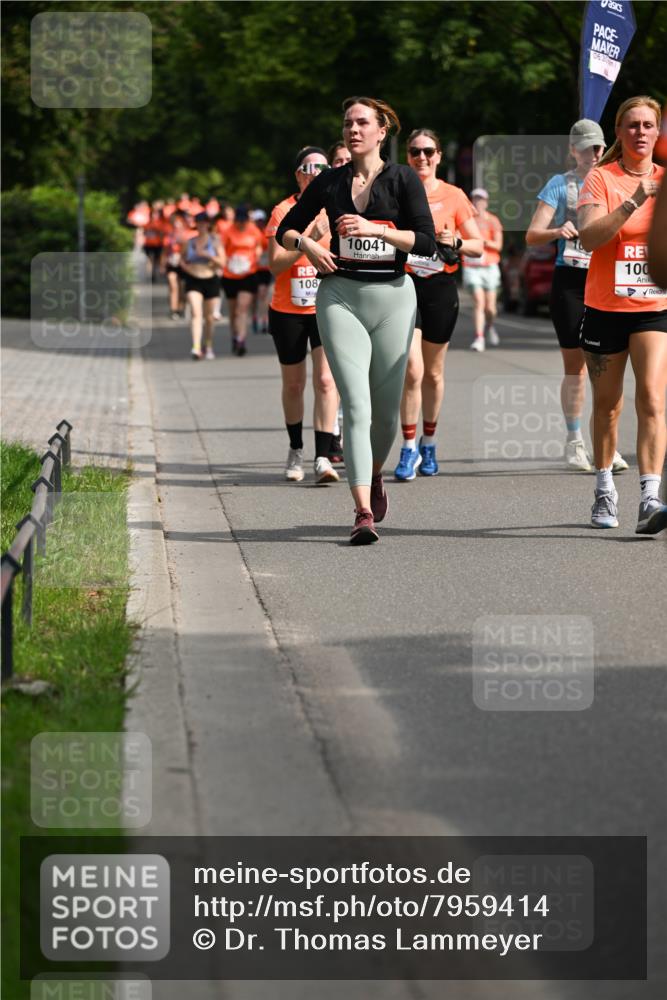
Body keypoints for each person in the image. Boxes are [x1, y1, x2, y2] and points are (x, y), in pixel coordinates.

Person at [276, 96, 437, 544]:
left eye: (362, 122)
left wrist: (378, 231)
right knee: (357, 403)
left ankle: (374, 473)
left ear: (382, 130)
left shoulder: (403, 178)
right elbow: (284, 229)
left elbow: (425, 243)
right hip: (340, 296)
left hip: (393, 299)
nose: (353, 129)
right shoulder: (329, 180)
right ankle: (362, 510)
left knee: (385, 416)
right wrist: (307, 246)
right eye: (348, 123)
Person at [577, 95, 667, 534]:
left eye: (649, 125)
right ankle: (604, 487)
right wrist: (632, 201)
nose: (641, 132)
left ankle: (651, 495)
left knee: (652, 397)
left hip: (654, 307)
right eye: (633, 125)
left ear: (658, 132)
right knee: (608, 406)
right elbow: (590, 239)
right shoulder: (600, 179)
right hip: (605, 308)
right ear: (619, 131)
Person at [526, 119, 628, 474]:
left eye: (598, 147)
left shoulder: (615, 180)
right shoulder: (561, 185)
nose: (594, 153)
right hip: (570, 281)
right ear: (573, 150)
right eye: (586, 147)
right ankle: (574, 441)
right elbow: (532, 235)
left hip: (607, 279)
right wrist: (558, 229)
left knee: (608, 368)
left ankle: (607, 444)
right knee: (577, 368)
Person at [395, 129, 483, 481]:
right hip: (404, 285)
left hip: (440, 288)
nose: (422, 158)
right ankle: (408, 447)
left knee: (432, 372)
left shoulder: (454, 195)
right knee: (412, 370)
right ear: (407, 155)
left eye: (428, 151)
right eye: (415, 152)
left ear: (438, 156)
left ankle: (429, 443)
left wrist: (456, 241)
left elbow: (479, 245)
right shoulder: (397, 191)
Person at [266, 147, 340, 484]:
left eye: (321, 167)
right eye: (308, 168)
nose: (315, 172)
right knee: (294, 385)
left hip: (325, 304)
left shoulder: (336, 206)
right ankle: (296, 449)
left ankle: (323, 456)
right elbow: (275, 264)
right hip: (287, 310)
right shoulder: (284, 210)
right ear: (298, 174)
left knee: (326, 381)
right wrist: (309, 238)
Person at [180, 211, 225, 360]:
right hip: (193, 279)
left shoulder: (215, 241)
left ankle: (209, 345)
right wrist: (186, 268)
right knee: (195, 312)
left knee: (209, 317)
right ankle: (196, 347)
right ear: (196, 224)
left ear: (208, 224)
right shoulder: (189, 242)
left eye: (204, 222)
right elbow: (181, 259)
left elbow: (222, 263)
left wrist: (207, 255)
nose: (202, 225)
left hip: (211, 279)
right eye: (199, 223)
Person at [463, 187, 504, 350]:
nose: (477, 202)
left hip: (490, 266)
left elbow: (498, 245)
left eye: (481, 199)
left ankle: (490, 326)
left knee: (490, 308)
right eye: (475, 199)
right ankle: (479, 337)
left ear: (486, 203)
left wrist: (482, 242)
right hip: (471, 266)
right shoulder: (466, 220)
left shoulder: (493, 220)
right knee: (479, 302)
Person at [221, 205, 264, 356]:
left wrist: (257, 256)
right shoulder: (227, 231)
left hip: (248, 273)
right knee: (233, 312)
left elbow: (259, 246)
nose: (241, 224)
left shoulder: (253, 230)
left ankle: (241, 340)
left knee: (242, 308)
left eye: (244, 221)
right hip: (230, 275)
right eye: (239, 221)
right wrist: (227, 261)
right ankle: (234, 335)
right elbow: (222, 250)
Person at [160, 210, 193, 319]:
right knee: (173, 285)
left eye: (179, 222)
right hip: (172, 264)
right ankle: (173, 309)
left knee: (182, 288)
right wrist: (162, 265)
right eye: (175, 223)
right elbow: (164, 252)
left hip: (184, 264)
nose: (177, 225)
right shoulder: (169, 236)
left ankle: (181, 307)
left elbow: (191, 252)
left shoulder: (188, 235)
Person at [250, 209, 273, 334]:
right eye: (256, 221)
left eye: (261, 221)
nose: (259, 223)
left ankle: (264, 320)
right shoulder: (250, 233)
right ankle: (254, 317)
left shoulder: (266, 232)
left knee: (263, 295)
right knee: (253, 297)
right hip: (251, 269)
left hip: (264, 268)